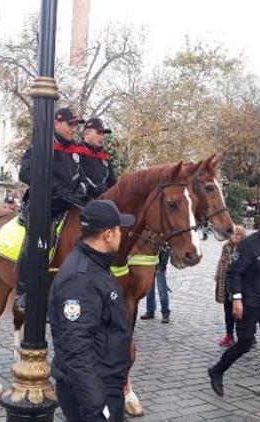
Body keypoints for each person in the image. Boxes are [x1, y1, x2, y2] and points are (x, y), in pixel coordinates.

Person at [48, 199, 134, 421]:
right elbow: (77, 347)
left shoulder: (96, 265)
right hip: (94, 393)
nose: (121, 234)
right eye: (119, 230)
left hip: (106, 383)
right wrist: (97, 407)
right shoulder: (81, 278)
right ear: (107, 235)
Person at [207, 209, 260, 409]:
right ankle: (217, 370)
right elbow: (234, 273)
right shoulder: (249, 244)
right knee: (245, 343)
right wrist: (237, 299)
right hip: (250, 303)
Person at [15, 107, 88, 312]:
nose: (74, 128)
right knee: (38, 237)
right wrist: (55, 188)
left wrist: (81, 189)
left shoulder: (75, 150)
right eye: (70, 124)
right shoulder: (42, 144)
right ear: (56, 123)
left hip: (69, 204)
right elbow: (25, 173)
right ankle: (24, 291)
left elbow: (81, 175)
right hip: (43, 204)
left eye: (76, 125)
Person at [215, 225, 246, 347]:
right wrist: (219, 279)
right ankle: (229, 335)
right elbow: (221, 265)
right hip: (227, 285)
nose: (235, 236)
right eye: (233, 234)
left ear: (242, 236)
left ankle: (246, 336)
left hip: (240, 286)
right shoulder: (226, 247)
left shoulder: (246, 249)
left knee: (242, 313)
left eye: (238, 234)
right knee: (228, 311)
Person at [79, 117, 117, 199]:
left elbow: (112, 182)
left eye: (103, 134)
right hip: (80, 202)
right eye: (99, 133)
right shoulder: (75, 151)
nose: (102, 137)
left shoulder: (104, 156)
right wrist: (94, 188)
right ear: (87, 133)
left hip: (103, 201)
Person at [139, 248, 171, 323]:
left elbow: (166, 250)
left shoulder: (162, 236)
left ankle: (165, 314)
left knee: (162, 290)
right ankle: (150, 311)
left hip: (159, 266)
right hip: (149, 265)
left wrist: (162, 265)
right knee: (149, 289)